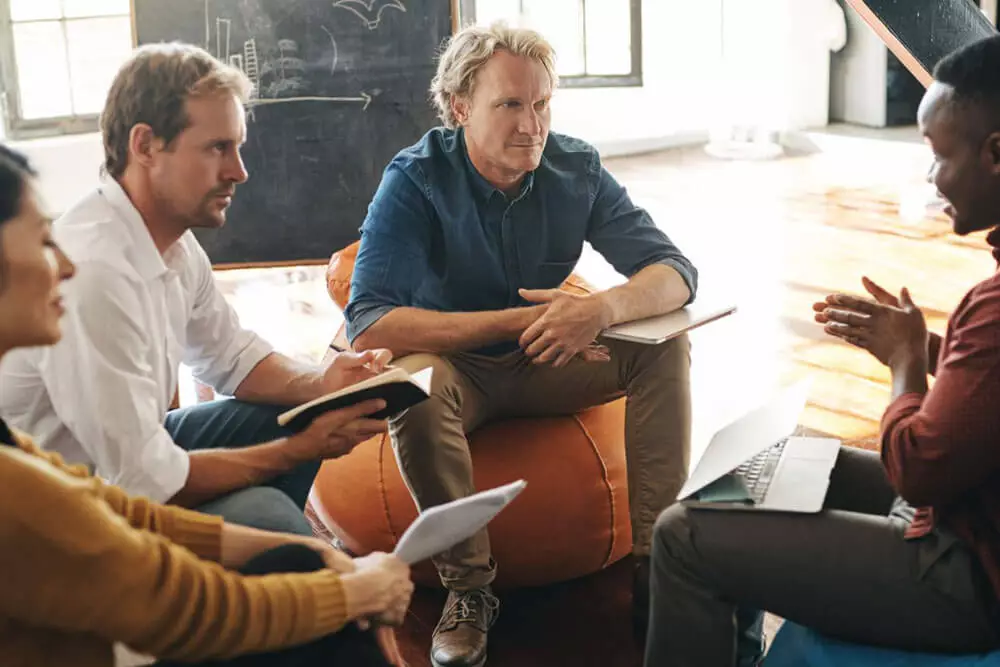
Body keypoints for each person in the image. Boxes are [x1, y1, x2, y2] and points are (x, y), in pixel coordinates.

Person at [344, 22, 699, 667]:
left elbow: (675, 272)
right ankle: (469, 590)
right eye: (509, 105)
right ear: (460, 109)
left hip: (554, 358)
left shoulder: (575, 166)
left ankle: (659, 570)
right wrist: (513, 322)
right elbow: (369, 321)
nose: (531, 125)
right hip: (457, 367)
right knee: (411, 390)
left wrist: (598, 310)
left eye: (541, 104)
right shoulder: (415, 178)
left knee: (665, 346)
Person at [643, 35, 1000, 667]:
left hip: (969, 577)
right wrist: (930, 347)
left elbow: (914, 470)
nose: (929, 175)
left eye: (938, 154)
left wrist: (905, 364)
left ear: (995, 155)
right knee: (761, 468)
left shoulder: (994, 304)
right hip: (968, 514)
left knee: (682, 535)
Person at [0, 142, 414, 667]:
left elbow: (107, 507)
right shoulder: (14, 491)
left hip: (126, 482)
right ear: (149, 149)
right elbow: (180, 604)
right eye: (42, 241)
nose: (65, 265)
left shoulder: (176, 248)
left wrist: (319, 552)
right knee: (309, 582)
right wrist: (356, 593)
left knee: (296, 556)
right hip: (124, 531)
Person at [0, 43, 393, 536]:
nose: (239, 171)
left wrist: (323, 382)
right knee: (271, 517)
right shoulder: (93, 273)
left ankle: (265, 567)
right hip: (66, 509)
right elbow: (140, 482)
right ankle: (269, 559)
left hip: (132, 458)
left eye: (237, 147)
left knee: (297, 412)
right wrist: (301, 449)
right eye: (217, 148)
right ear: (145, 146)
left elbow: (231, 356)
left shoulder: (176, 246)